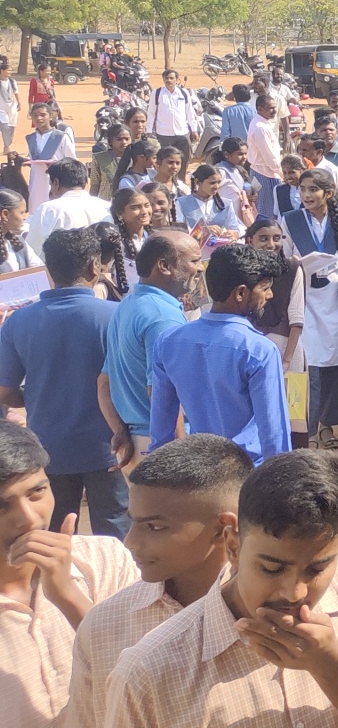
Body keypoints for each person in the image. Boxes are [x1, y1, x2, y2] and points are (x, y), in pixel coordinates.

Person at [96, 449, 338, 728]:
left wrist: (329, 663)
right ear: (233, 547)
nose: (294, 593)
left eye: (316, 569)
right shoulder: (147, 674)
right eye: (271, 568)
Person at [61, 434, 251, 728]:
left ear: (223, 530)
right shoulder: (106, 627)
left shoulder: (289, 606)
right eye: (134, 523)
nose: (130, 542)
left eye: (155, 527)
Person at [0, 420, 141, 728]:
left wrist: (69, 597)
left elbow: (148, 678)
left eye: (37, 492)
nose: (29, 518)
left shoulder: (105, 560)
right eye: (2, 506)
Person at [0, 227, 128, 537]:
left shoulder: (18, 321)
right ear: (94, 267)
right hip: (109, 446)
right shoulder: (117, 315)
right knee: (114, 534)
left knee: (54, 533)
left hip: (49, 449)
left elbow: (5, 391)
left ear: (49, 269)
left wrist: (33, 396)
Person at [149, 242, 292, 465]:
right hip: (249, 471)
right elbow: (274, 435)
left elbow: (161, 425)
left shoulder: (167, 342)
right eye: (264, 288)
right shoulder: (259, 350)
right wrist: (281, 479)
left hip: (202, 470)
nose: (270, 295)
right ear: (241, 293)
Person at [103, 232, 200, 463]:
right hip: (164, 446)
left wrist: (120, 431)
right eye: (194, 261)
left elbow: (103, 382)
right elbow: (162, 391)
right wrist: (180, 451)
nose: (200, 268)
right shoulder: (162, 316)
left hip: (139, 443)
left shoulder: (127, 305)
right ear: (164, 266)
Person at [282, 171, 338, 452]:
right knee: (308, 365)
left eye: (313, 189)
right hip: (304, 299)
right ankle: (308, 427)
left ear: (328, 193)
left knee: (336, 365)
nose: (306, 195)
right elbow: (284, 260)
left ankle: (328, 424)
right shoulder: (291, 220)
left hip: (337, 300)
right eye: (302, 189)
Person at [27, 158, 109, 253]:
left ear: (56, 183)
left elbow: (33, 249)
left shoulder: (49, 209)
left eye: (51, 184)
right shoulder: (107, 207)